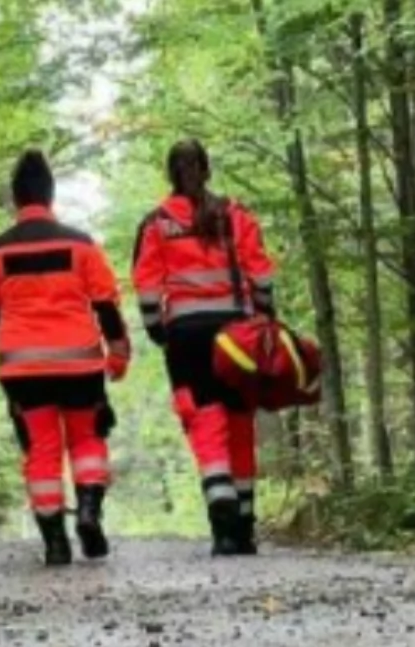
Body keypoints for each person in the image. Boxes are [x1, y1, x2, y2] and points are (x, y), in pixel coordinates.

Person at [0, 150, 130, 566]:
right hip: (79, 361)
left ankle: (55, 541)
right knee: (87, 439)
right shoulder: (81, 245)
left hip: (23, 368)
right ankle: (91, 512)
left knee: (41, 450)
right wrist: (117, 352)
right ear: (51, 193)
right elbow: (107, 305)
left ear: (15, 198)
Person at [130, 139, 276, 556]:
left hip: (187, 336)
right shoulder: (237, 215)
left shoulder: (156, 223)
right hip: (237, 332)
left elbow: (146, 286)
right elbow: (261, 276)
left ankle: (222, 512)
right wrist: (264, 317)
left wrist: (159, 330)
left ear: (170, 175)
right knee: (239, 423)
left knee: (204, 421)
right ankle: (245, 525)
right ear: (206, 170)